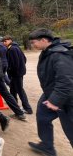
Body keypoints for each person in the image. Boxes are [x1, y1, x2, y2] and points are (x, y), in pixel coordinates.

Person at [28, 28, 73, 156]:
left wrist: (55, 101)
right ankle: (47, 146)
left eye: (33, 42)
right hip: (50, 93)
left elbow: (66, 81)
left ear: (43, 40)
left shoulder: (60, 54)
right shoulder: (48, 51)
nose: (32, 45)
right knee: (42, 116)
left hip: (66, 99)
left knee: (71, 130)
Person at [2, 35, 33, 115]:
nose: (4, 43)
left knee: (20, 90)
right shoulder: (16, 47)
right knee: (12, 90)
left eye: (5, 41)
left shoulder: (12, 49)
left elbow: (14, 64)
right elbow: (24, 58)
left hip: (16, 74)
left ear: (10, 40)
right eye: (3, 41)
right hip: (17, 73)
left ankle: (27, 108)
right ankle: (15, 107)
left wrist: (11, 70)